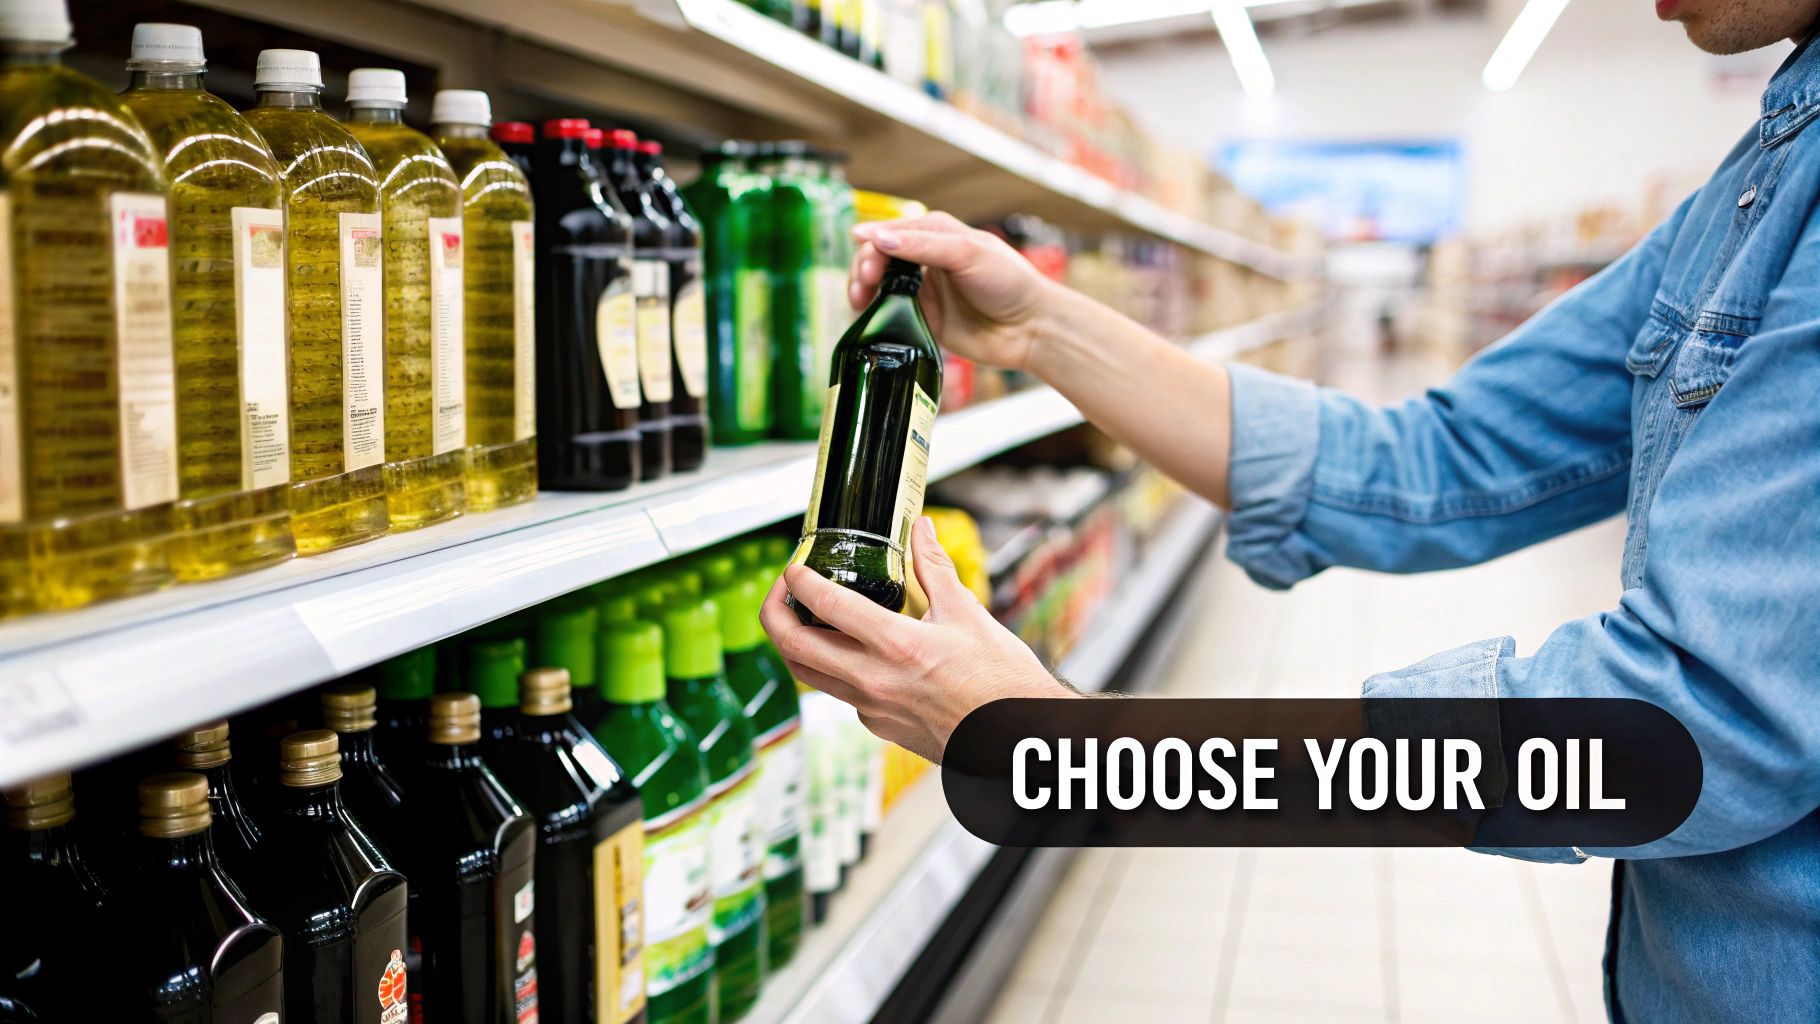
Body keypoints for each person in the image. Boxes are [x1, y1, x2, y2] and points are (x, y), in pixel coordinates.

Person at [759, 2, 1820, 1020]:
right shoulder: (1764, 170)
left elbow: (1684, 724)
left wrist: (1084, 753)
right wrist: (1041, 326)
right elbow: (1427, 460)